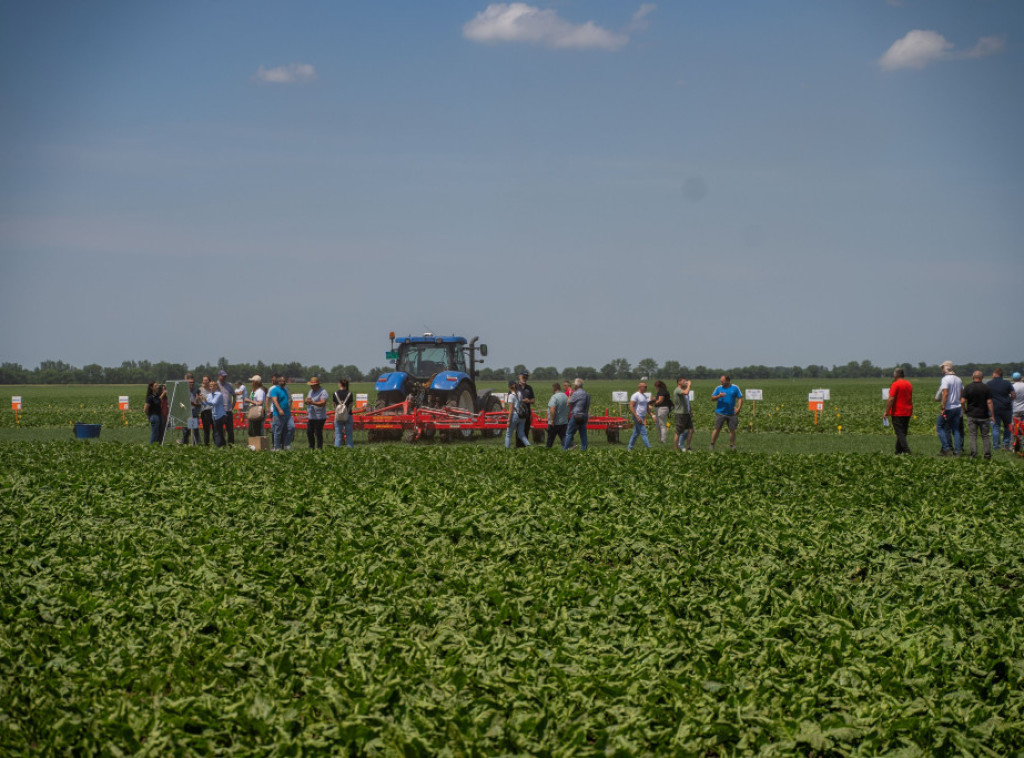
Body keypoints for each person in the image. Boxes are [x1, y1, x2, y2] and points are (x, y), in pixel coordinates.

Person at [962, 370, 994, 459]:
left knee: (973, 435)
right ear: (982, 378)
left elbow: (962, 401)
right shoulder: (986, 388)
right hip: (984, 415)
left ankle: (973, 454)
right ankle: (987, 455)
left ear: (973, 377)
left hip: (971, 415)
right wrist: (992, 414)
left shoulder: (968, 387)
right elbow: (989, 402)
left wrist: (964, 410)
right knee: (985, 436)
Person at [935, 361, 964, 456]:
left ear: (946, 368)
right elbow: (961, 393)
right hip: (957, 407)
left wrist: (943, 406)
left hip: (949, 407)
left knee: (939, 427)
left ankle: (946, 447)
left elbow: (945, 393)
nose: (941, 369)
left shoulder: (945, 379)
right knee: (956, 429)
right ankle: (958, 450)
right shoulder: (958, 379)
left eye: (942, 367)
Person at [884, 367, 914, 455]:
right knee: (903, 432)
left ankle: (906, 450)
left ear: (895, 375)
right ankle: (898, 450)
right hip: (908, 411)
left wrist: (886, 411)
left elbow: (891, 399)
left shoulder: (895, 384)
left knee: (900, 433)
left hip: (898, 411)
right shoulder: (909, 384)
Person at [710, 374, 743, 451]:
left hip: (731, 413)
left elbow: (740, 398)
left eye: (722, 381)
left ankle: (732, 445)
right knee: (717, 429)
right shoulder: (718, 388)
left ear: (727, 380)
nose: (721, 382)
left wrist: (738, 408)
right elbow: (712, 398)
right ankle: (712, 444)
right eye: (720, 381)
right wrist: (719, 396)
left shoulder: (735, 388)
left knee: (732, 429)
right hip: (720, 413)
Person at [987, 368, 1016, 452]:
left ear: (995, 374)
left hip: (994, 408)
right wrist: (1010, 400)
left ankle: (996, 446)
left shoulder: (989, 383)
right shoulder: (1007, 383)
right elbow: (1013, 394)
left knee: (995, 427)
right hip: (1006, 408)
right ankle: (1006, 444)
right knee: (1007, 426)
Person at [563, 378, 590, 451]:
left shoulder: (576, 393)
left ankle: (565, 450)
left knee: (569, 433)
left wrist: (570, 394)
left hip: (576, 416)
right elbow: (587, 407)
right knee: (583, 435)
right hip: (584, 416)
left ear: (576, 385)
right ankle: (584, 450)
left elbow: (568, 403)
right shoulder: (587, 394)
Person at [268, 375, 293, 451]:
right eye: (282, 381)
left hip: (287, 413)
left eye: (285, 381)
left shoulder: (285, 389)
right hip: (278, 414)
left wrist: (289, 407)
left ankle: (286, 444)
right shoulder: (274, 390)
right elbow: (275, 401)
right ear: (278, 382)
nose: (284, 382)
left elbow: (289, 399)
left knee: (291, 427)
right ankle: (277, 447)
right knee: (278, 431)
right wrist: (279, 410)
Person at [627, 380, 652, 451]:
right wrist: (637, 417)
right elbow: (631, 406)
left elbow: (646, 407)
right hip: (638, 416)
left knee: (636, 433)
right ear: (640, 387)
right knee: (644, 432)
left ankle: (629, 448)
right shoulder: (635, 395)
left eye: (646, 387)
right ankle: (649, 448)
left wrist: (652, 415)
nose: (646, 388)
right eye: (645, 387)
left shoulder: (644, 396)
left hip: (642, 416)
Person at [505, 380, 531, 448]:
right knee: (521, 434)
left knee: (508, 434)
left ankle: (506, 450)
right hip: (522, 416)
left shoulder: (511, 396)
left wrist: (508, 420)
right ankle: (529, 447)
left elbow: (511, 410)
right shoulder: (519, 394)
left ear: (509, 387)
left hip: (514, 416)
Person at [305, 377, 328, 449]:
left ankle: (319, 447)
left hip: (319, 417)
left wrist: (312, 403)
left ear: (317, 385)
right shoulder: (310, 391)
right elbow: (307, 399)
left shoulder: (323, 392)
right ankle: (311, 447)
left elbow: (323, 403)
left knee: (318, 433)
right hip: (311, 416)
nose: (311, 386)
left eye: (313, 385)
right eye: (311, 385)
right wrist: (306, 401)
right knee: (309, 432)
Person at [203, 381, 227, 447]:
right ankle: (223, 445)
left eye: (213, 386)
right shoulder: (209, 395)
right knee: (219, 432)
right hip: (214, 416)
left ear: (216, 387)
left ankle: (218, 446)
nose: (211, 387)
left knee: (217, 432)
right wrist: (201, 400)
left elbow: (214, 403)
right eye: (210, 386)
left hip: (220, 415)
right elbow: (207, 404)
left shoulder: (219, 394)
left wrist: (206, 401)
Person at [672, 376, 693, 452]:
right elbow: (686, 392)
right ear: (679, 382)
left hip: (686, 413)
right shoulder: (677, 390)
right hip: (680, 414)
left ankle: (688, 446)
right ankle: (676, 449)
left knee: (691, 430)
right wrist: (689, 385)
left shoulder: (681, 389)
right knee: (678, 432)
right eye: (684, 381)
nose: (686, 382)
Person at [333, 378, 355, 449]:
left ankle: (336, 451)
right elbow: (351, 404)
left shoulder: (335, 394)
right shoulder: (350, 394)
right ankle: (350, 450)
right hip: (348, 415)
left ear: (340, 384)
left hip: (338, 416)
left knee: (338, 435)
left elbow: (334, 405)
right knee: (349, 435)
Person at [515, 371, 535, 448]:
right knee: (518, 431)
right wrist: (521, 400)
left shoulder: (529, 388)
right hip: (518, 413)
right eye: (523, 377)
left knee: (526, 431)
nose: (525, 378)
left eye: (526, 377)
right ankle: (518, 447)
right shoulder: (515, 387)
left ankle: (524, 448)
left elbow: (533, 400)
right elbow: (510, 399)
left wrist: (528, 401)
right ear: (519, 377)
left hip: (527, 414)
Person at [546, 382, 568, 448]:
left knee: (550, 439)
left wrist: (552, 420)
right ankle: (567, 449)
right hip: (564, 421)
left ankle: (547, 451)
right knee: (563, 437)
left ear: (553, 389)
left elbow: (552, 408)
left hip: (555, 422)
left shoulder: (554, 397)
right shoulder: (565, 396)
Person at [650, 379, 673, 444]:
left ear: (657, 386)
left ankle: (663, 440)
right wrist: (654, 399)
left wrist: (653, 403)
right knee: (658, 425)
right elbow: (658, 399)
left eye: (655, 387)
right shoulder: (662, 391)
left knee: (662, 425)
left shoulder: (662, 391)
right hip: (660, 409)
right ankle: (661, 439)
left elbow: (660, 400)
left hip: (662, 409)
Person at [216, 370, 236, 446]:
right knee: (219, 430)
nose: (224, 377)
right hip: (219, 411)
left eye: (225, 376)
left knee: (230, 430)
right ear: (219, 376)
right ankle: (222, 445)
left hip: (228, 410)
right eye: (223, 376)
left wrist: (233, 404)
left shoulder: (229, 385)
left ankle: (231, 445)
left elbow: (234, 395)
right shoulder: (216, 385)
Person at [181, 373, 201, 445]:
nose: (191, 384)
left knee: (194, 431)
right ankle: (184, 444)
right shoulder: (183, 391)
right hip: (186, 413)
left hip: (194, 413)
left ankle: (195, 445)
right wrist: (185, 405)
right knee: (186, 431)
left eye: (193, 382)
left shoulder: (197, 391)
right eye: (190, 383)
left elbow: (199, 403)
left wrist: (197, 400)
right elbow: (180, 402)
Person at [199, 375, 214, 446]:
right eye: (203, 380)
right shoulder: (200, 390)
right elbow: (198, 400)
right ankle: (206, 445)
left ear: (209, 381)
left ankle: (216, 444)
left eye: (206, 380)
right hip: (205, 411)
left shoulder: (212, 390)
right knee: (206, 430)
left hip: (213, 411)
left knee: (215, 429)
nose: (204, 382)